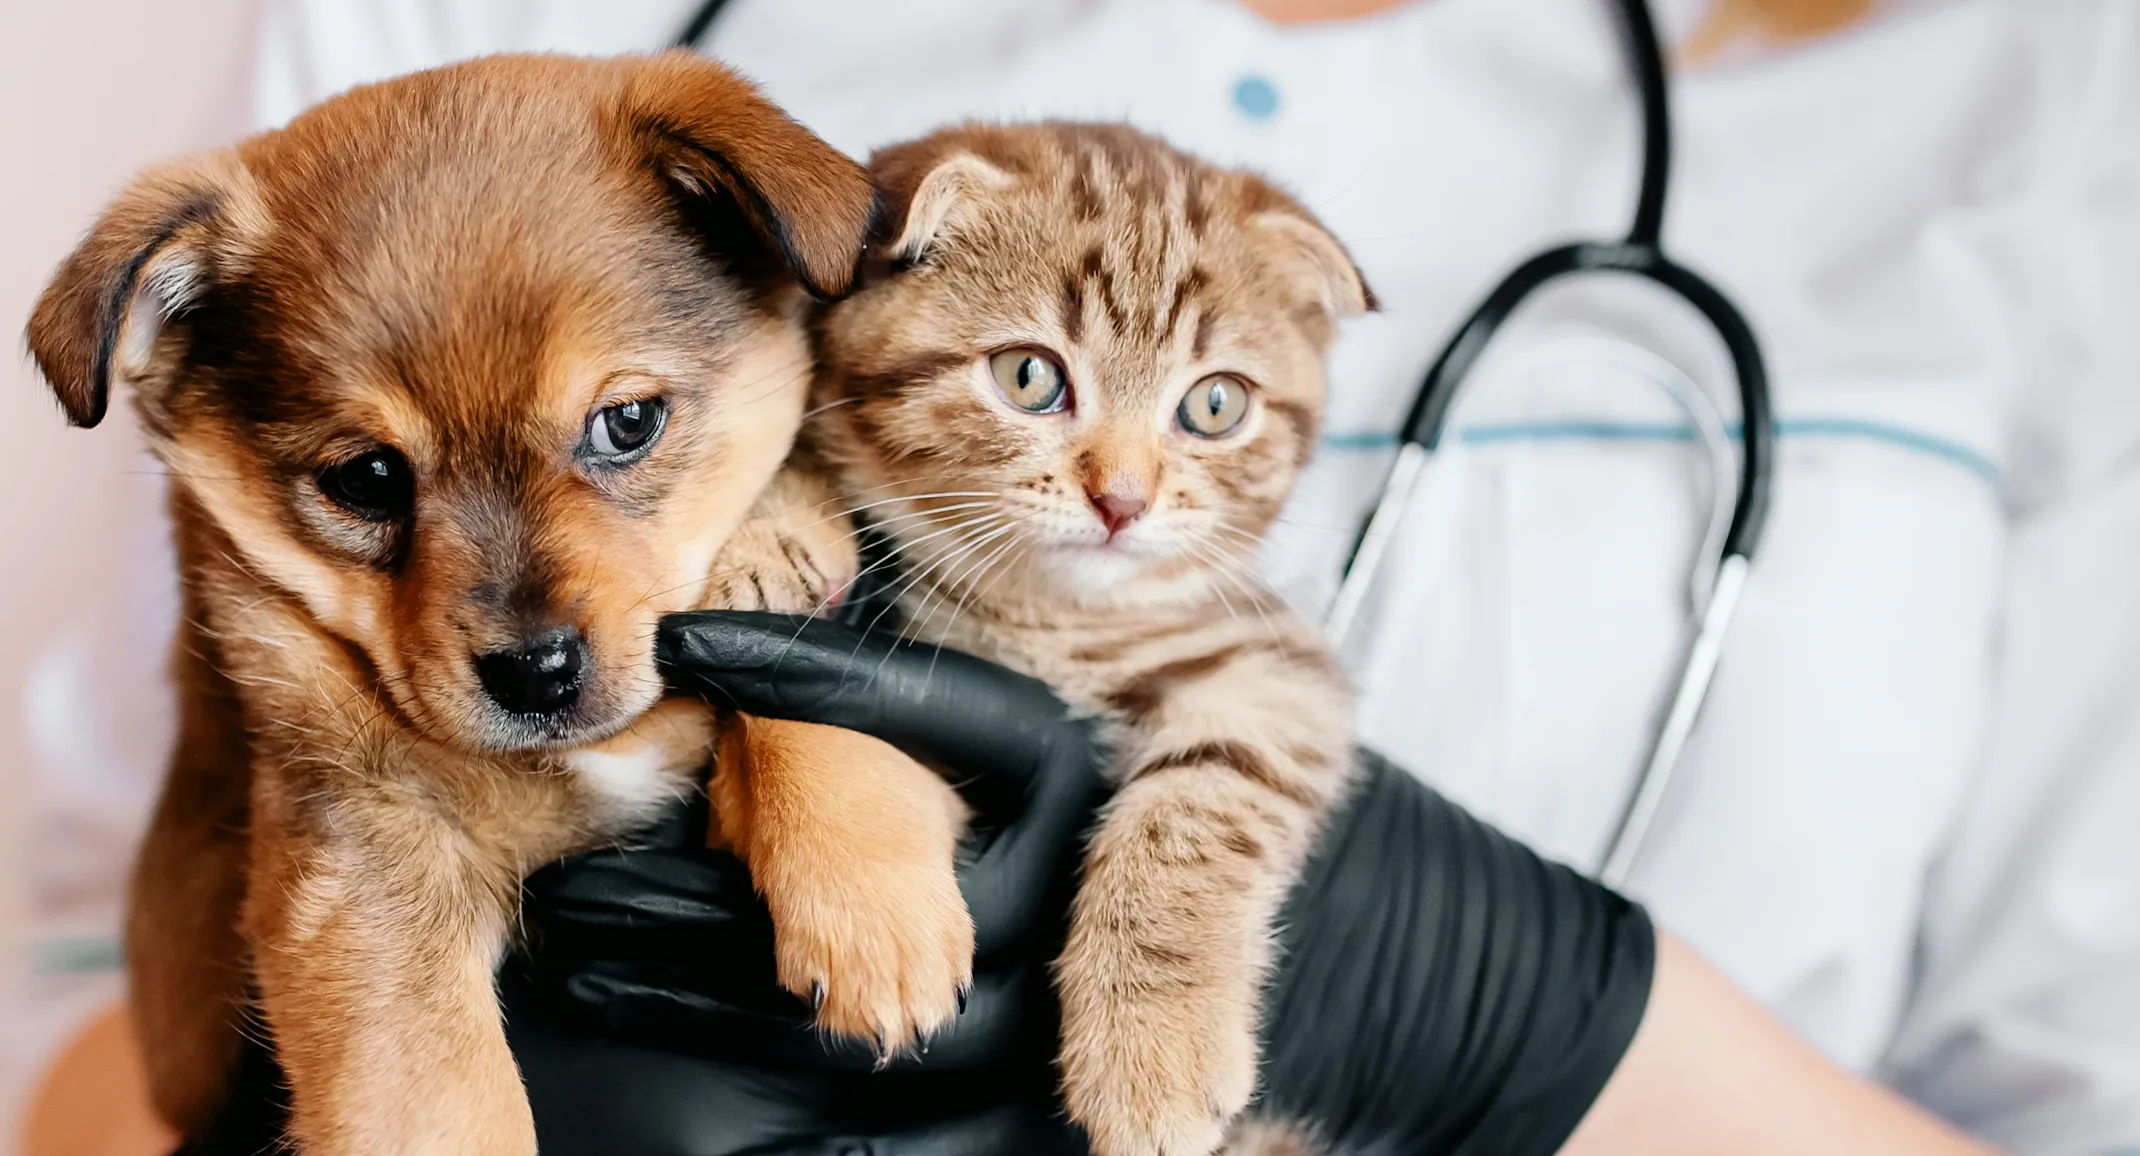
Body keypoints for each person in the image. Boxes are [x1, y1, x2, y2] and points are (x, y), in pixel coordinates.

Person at [26, 0, 2136, 1152]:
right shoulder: (434, 59)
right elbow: (70, 997)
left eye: (622, 432)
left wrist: (1519, 1016)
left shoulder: (2016, 98)